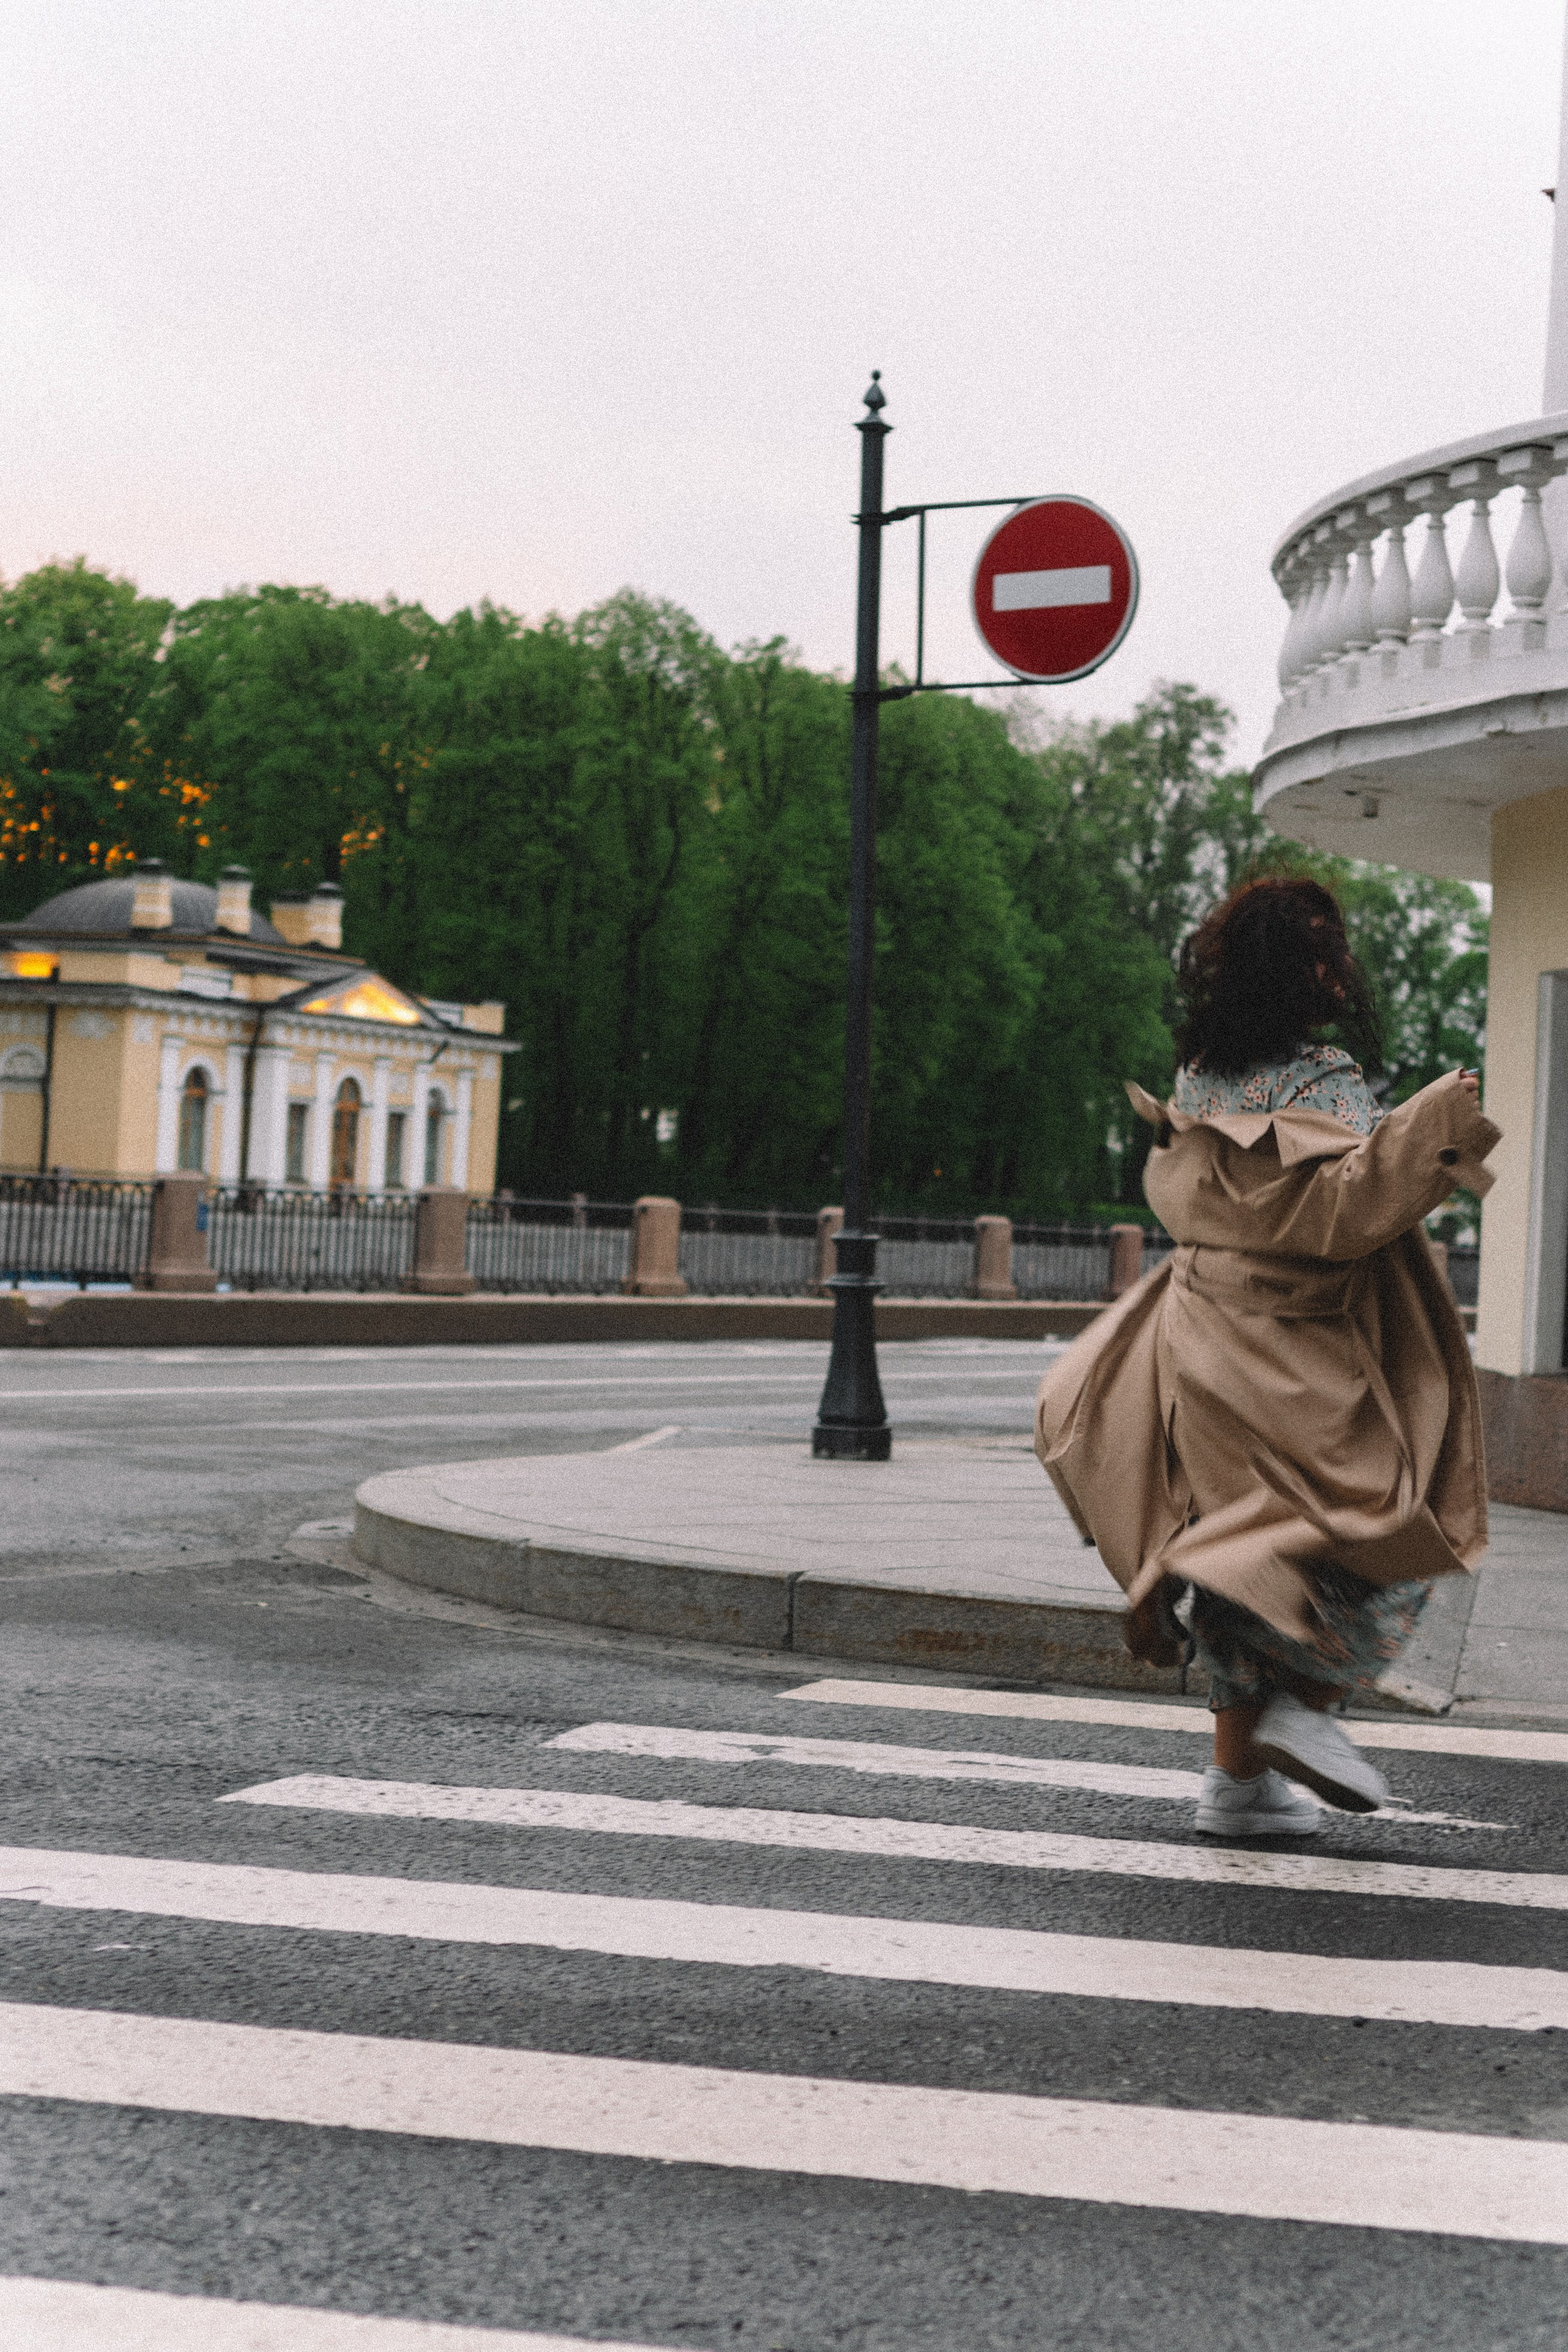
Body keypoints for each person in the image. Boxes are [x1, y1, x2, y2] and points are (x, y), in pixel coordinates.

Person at [1035, 874, 1499, 1838]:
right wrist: (1433, 1126)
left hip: (1200, 1345)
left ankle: (1236, 1788)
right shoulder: (1322, 1076)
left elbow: (1213, 1196)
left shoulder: (1200, 1074)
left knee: (1243, 1555)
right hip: (1301, 1350)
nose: (1340, 968)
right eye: (1325, 952)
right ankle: (1307, 1711)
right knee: (1385, 1529)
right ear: (1300, 970)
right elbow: (1345, 1211)